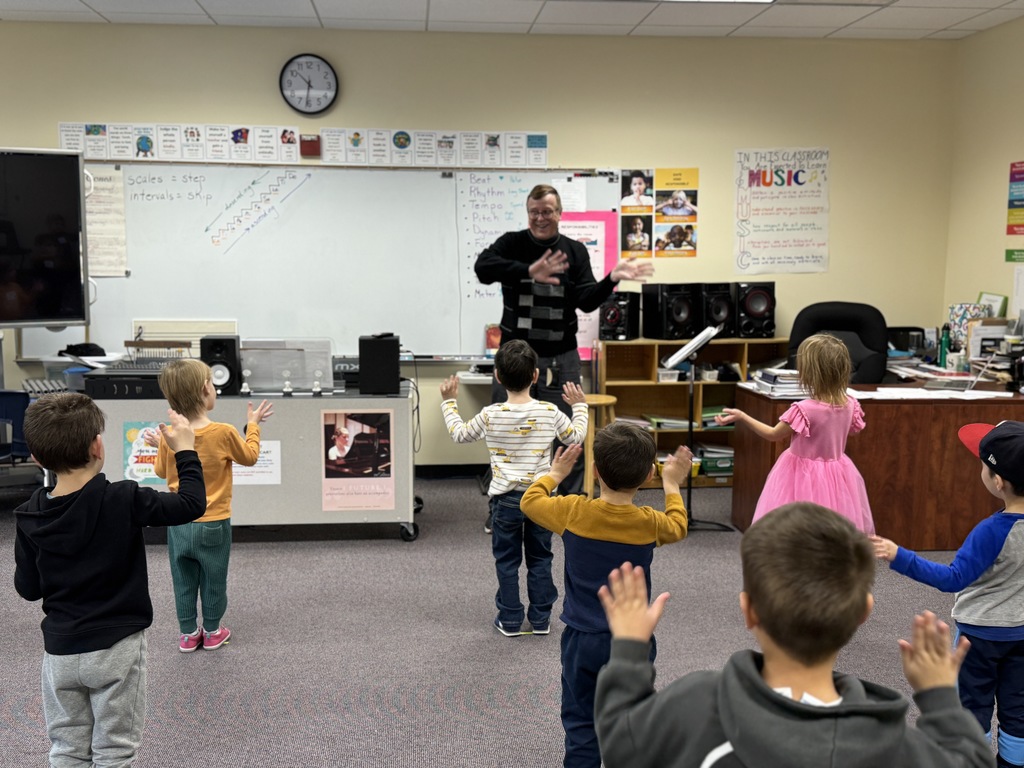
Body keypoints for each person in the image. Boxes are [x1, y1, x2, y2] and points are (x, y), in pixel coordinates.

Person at [593, 501, 993, 768]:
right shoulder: (899, 751)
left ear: (748, 610)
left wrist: (629, 648)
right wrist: (939, 696)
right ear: (864, 613)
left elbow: (619, 743)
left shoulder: (691, 705)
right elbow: (971, 759)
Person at [14, 393, 207, 766]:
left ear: (37, 458)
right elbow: (191, 504)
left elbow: (28, 588)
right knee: (115, 750)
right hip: (117, 649)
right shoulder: (123, 498)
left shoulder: (29, 514)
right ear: (98, 446)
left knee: (67, 749)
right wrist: (185, 450)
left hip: (60, 653)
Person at [519, 423, 692, 768]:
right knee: (631, 722)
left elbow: (530, 501)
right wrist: (671, 483)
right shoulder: (649, 523)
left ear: (595, 471)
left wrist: (555, 473)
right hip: (632, 640)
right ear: (646, 476)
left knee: (582, 722)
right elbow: (678, 525)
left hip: (582, 639)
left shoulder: (573, 512)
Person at [475, 183, 653, 514]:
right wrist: (528, 271)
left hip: (561, 358)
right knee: (506, 434)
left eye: (547, 211)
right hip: (516, 359)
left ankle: (570, 508)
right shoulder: (512, 244)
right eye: (534, 211)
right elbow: (482, 269)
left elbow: (586, 301)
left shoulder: (574, 251)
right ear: (528, 212)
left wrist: (611, 278)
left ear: (559, 213)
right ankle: (502, 508)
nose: (540, 217)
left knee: (569, 436)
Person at [872, 419, 1024, 768]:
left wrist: (900, 556)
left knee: (972, 706)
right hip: (1022, 633)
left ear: (998, 482)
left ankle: (968, 760)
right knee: (1018, 710)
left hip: (980, 637)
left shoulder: (991, 531)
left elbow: (953, 578)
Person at [440, 338, 588, 636]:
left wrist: (448, 402)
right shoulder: (549, 411)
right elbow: (576, 437)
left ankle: (509, 619)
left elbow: (459, 434)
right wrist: (580, 406)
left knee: (507, 561)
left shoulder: (490, 414)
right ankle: (540, 619)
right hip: (542, 499)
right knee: (541, 558)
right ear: (535, 376)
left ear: (497, 376)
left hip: (505, 501)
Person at [147, 358, 273, 652]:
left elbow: (162, 473)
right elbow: (250, 456)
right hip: (214, 522)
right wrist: (252, 426)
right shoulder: (224, 432)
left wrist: (161, 447)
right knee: (214, 578)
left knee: (183, 579)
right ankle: (213, 630)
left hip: (178, 523)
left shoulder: (171, 434)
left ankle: (189, 634)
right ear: (206, 389)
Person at [715, 333, 874, 533]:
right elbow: (852, 432)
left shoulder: (805, 409)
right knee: (830, 526)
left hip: (800, 474)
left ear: (809, 373)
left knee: (795, 526)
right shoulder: (850, 403)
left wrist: (742, 416)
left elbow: (773, 434)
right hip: (838, 473)